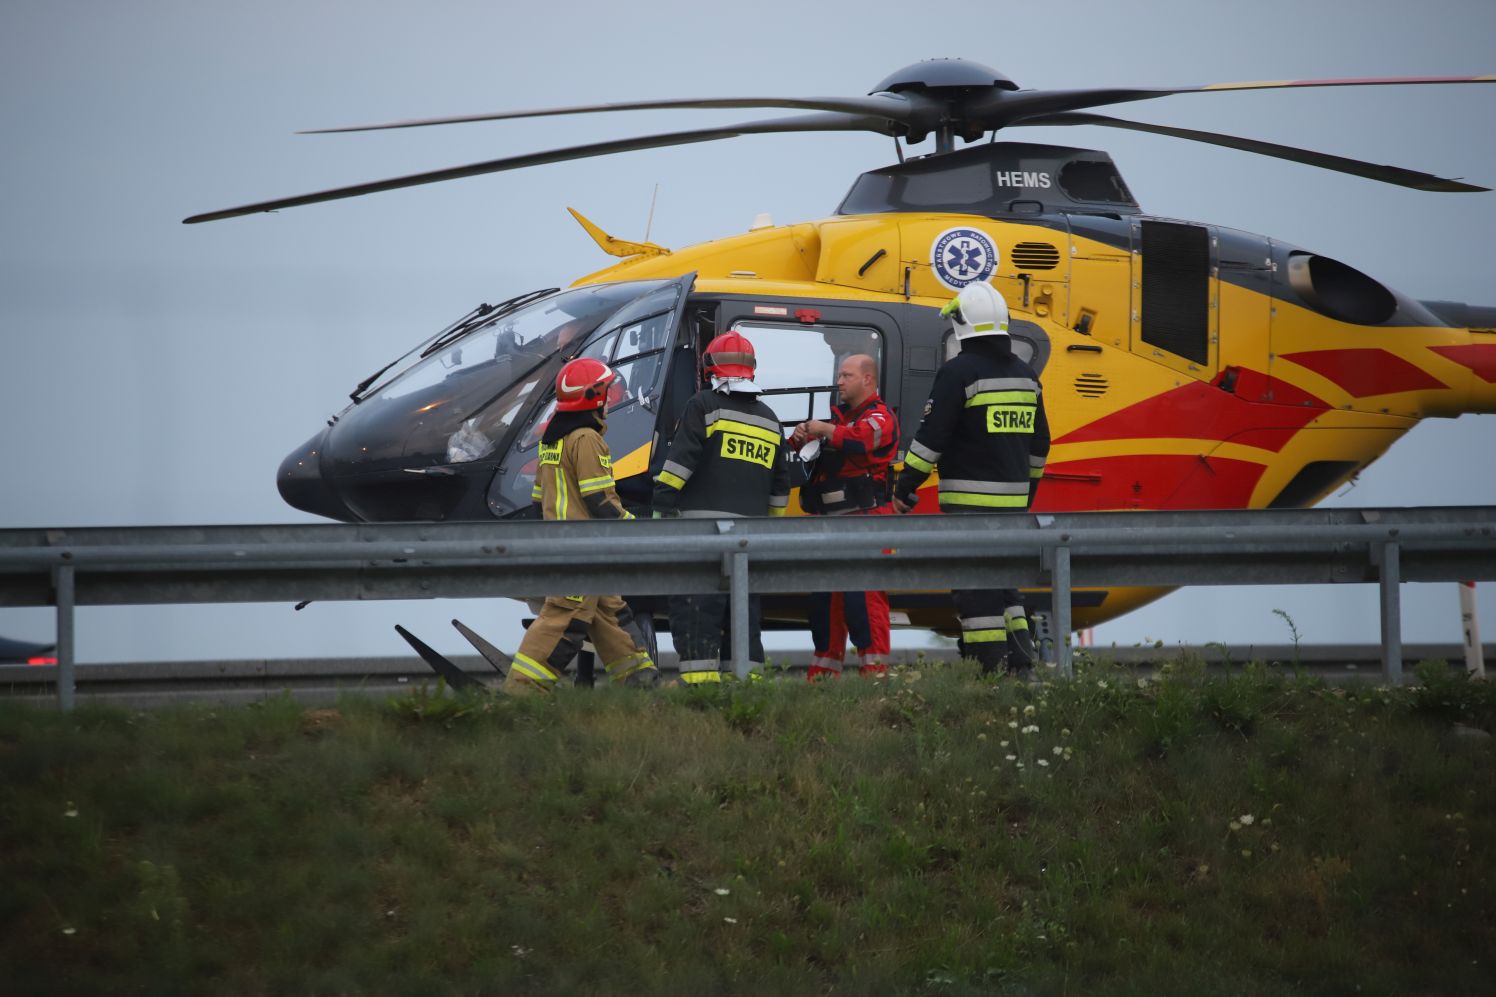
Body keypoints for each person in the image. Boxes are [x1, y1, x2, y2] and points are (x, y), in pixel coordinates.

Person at [892, 281, 1050, 677]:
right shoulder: (1027, 376)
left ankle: (988, 672)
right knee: (1006, 587)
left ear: (962, 325)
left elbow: (931, 438)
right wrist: (1026, 494)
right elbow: (1040, 445)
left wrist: (905, 485)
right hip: (1014, 507)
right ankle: (1022, 665)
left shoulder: (958, 372)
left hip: (969, 505)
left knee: (976, 588)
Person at [506, 357, 661, 693]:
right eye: (608, 391)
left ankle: (642, 685)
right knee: (564, 619)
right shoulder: (587, 439)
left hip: (566, 545)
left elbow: (538, 500)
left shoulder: (551, 440)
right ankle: (521, 691)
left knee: (611, 615)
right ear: (594, 397)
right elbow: (600, 500)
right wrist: (636, 529)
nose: (612, 398)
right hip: (581, 547)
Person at [652, 331, 791, 683]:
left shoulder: (703, 405)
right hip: (750, 542)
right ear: (752, 370)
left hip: (701, 540)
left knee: (696, 611)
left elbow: (678, 467)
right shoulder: (772, 420)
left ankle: (702, 693)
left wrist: (659, 515)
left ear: (709, 368)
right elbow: (780, 490)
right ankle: (746, 690)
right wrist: (768, 531)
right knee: (743, 617)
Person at [791, 353, 899, 680]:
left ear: (867, 379)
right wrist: (799, 438)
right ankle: (822, 679)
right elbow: (812, 454)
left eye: (846, 375)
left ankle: (875, 675)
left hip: (868, 522)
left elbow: (862, 440)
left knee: (864, 602)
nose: (839, 381)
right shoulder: (838, 422)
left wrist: (822, 429)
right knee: (825, 604)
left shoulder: (881, 418)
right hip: (831, 525)